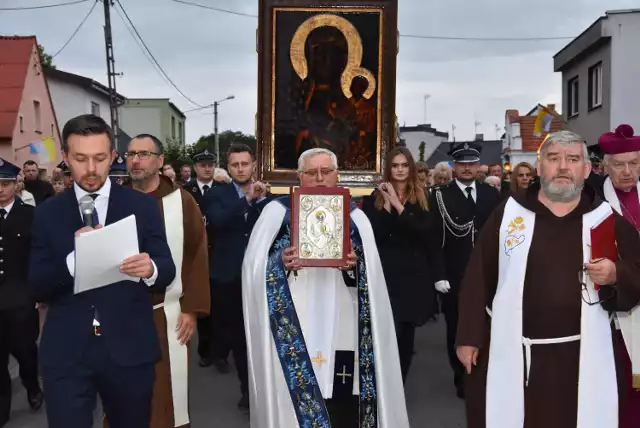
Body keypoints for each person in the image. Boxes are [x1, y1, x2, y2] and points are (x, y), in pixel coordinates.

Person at [456, 130, 640, 428]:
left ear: (587, 168)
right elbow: (477, 277)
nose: (563, 167)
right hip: (514, 352)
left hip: (581, 358)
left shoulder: (604, 218)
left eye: (572, 159)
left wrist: (617, 273)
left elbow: (637, 271)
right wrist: (468, 337)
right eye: (554, 159)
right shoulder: (509, 215)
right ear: (539, 167)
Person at [28, 114, 176, 428]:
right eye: (81, 159)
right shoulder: (46, 214)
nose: (91, 169)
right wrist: (74, 260)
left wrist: (150, 268)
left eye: (99, 158)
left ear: (112, 156)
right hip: (67, 352)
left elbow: (167, 268)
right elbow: (37, 286)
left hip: (130, 348)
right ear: (65, 158)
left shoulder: (142, 206)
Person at [242, 148, 409, 427]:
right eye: (311, 172)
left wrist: (355, 265)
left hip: (343, 314)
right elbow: (252, 268)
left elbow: (374, 275)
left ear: (337, 174)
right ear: (299, 176)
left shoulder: (356, 215)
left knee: (342, 386)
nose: (319, 178)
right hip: (294, 314)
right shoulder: (276, 212)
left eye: (326, 171)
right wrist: (279, 262)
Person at [107, 133, 209, 428]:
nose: (135, 160)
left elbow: (196, 255)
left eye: (144, 154)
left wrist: (191, 309)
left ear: (160, 160)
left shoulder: (182, 201)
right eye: (131, 154)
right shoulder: (113, 201)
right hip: (120, 315)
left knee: (166, 397)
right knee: (121, 396)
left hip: (167, 312)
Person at [361, 147, 441, 382]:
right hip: (385, 275)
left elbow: (423, 233)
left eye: (404, 165)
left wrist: (398, 205)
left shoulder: (424, 198)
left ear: (411, 168)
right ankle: (383, 387)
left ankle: (399, 384)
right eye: (395, 166)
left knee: (405, 337)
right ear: (389, 169)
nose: (400, 170)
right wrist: (386, 205)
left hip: (413, 279)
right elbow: (377, 235)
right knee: (385, 334)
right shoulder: (372, 199)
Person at [428, 141, 501, 398]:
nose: (467, 168)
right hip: (455, 272)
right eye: (462, 164)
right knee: (457, 327)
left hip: (489, 272)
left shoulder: (492, 194)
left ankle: (484, 374)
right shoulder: (438, 195)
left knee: (488, 324)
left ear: (478, 165)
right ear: (454, 166)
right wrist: (438, 275)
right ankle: (462, 377)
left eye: (472, 163)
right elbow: (433, 239)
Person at [205, 143, 272, 411]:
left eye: (245, 164)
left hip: (260, 275)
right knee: (239, 337)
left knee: (263, 335)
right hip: (228, 276)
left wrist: (262, 199)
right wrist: (247, 200)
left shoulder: (266, 193)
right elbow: (219, 222)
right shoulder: (217, 194)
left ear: (254, 165)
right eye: (235, 164)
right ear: (229, 166)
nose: (241, 169)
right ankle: (248, 392)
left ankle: (266, 392)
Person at [598, 124, 640, 427]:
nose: (627, 171)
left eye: (634, 163)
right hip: (620, 306)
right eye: (619, 164)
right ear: (604, 166)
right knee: (624, 382)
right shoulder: (593, 202)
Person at [0, 159, 43, 427]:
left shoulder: (30, 215)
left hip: (20, 299)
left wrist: (37, 292)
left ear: (15, 184)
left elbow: (38, 256)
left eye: (4, 184)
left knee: (25, 352)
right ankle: (2, 409)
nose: (0, 190)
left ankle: (32, 387)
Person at [183, 148, 229, 371]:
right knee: (201, 306)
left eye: (210, 164)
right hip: (196, 254)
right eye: (202, 165)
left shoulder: (224, 189)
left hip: (220, 253)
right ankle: (205, 351)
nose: (207, 168)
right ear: (195, 167)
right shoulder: (185, 190)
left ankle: (220, 354)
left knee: (221, 307)